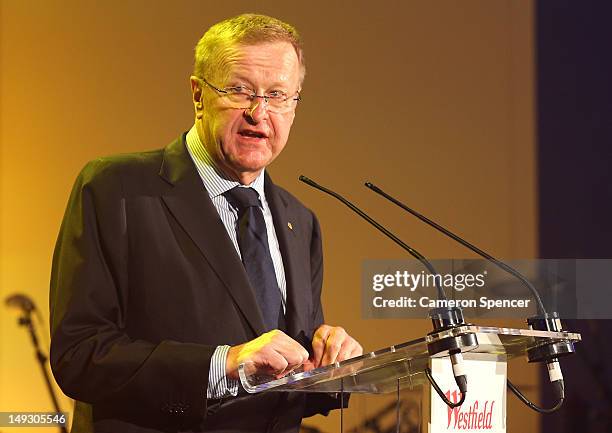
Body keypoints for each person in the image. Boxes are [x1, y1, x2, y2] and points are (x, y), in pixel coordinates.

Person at [49, 13, 362, 433]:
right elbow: (80, 355)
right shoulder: (115, 190)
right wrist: (223, 365)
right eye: (239, 91)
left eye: (278, 95)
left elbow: (285, 381)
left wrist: (330, 364)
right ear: (198, 94)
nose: (259, 112)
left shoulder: (299, 221)